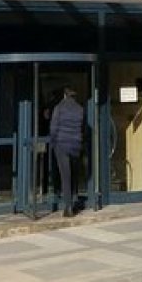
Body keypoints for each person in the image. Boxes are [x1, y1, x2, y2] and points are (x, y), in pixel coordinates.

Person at [48, 87, 84, 217]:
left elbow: (53, 128)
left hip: (62, 145)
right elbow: (82, 128)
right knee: (74, 175)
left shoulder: (59, 108)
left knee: (65, 176)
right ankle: (75, 199)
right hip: (75, 146)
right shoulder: (80, 109)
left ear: (65, 95)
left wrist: (53, 144)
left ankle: (68, 207)